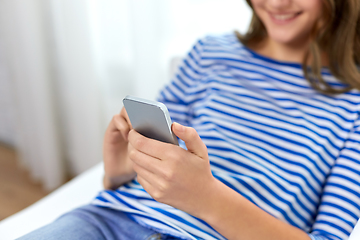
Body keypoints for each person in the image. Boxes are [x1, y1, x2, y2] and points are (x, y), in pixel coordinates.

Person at [19, 0, 360, 239]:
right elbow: (161, 162)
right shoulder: (209, 53)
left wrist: (207, 197)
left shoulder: (354, 104)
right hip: (110, 219)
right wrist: (121, 171)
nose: (277, 3)